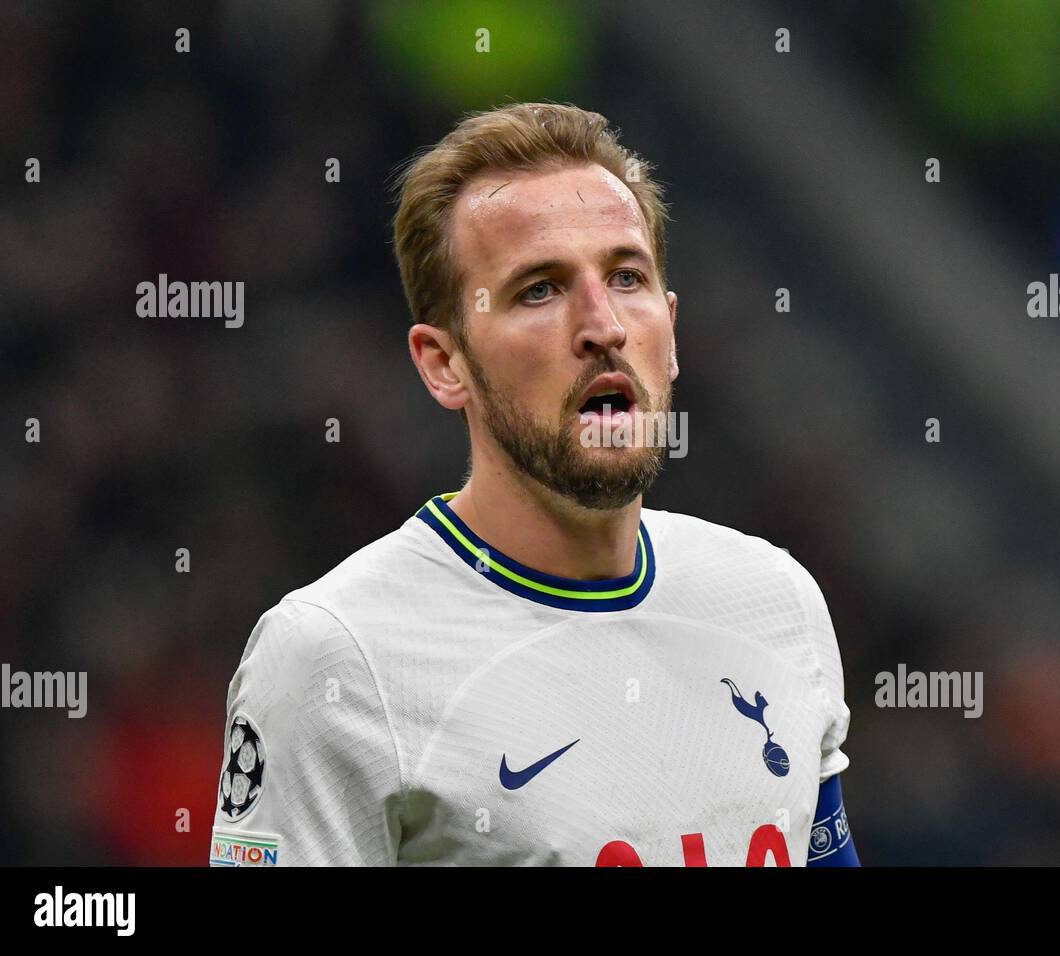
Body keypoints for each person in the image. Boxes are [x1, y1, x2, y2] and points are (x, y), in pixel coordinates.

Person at [209, 102, 858, 866]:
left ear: (670, 329)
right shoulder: (335, 659)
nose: (602, 324)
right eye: (539, 290)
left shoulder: (774, 601)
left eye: (626, 277)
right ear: (443, 364)